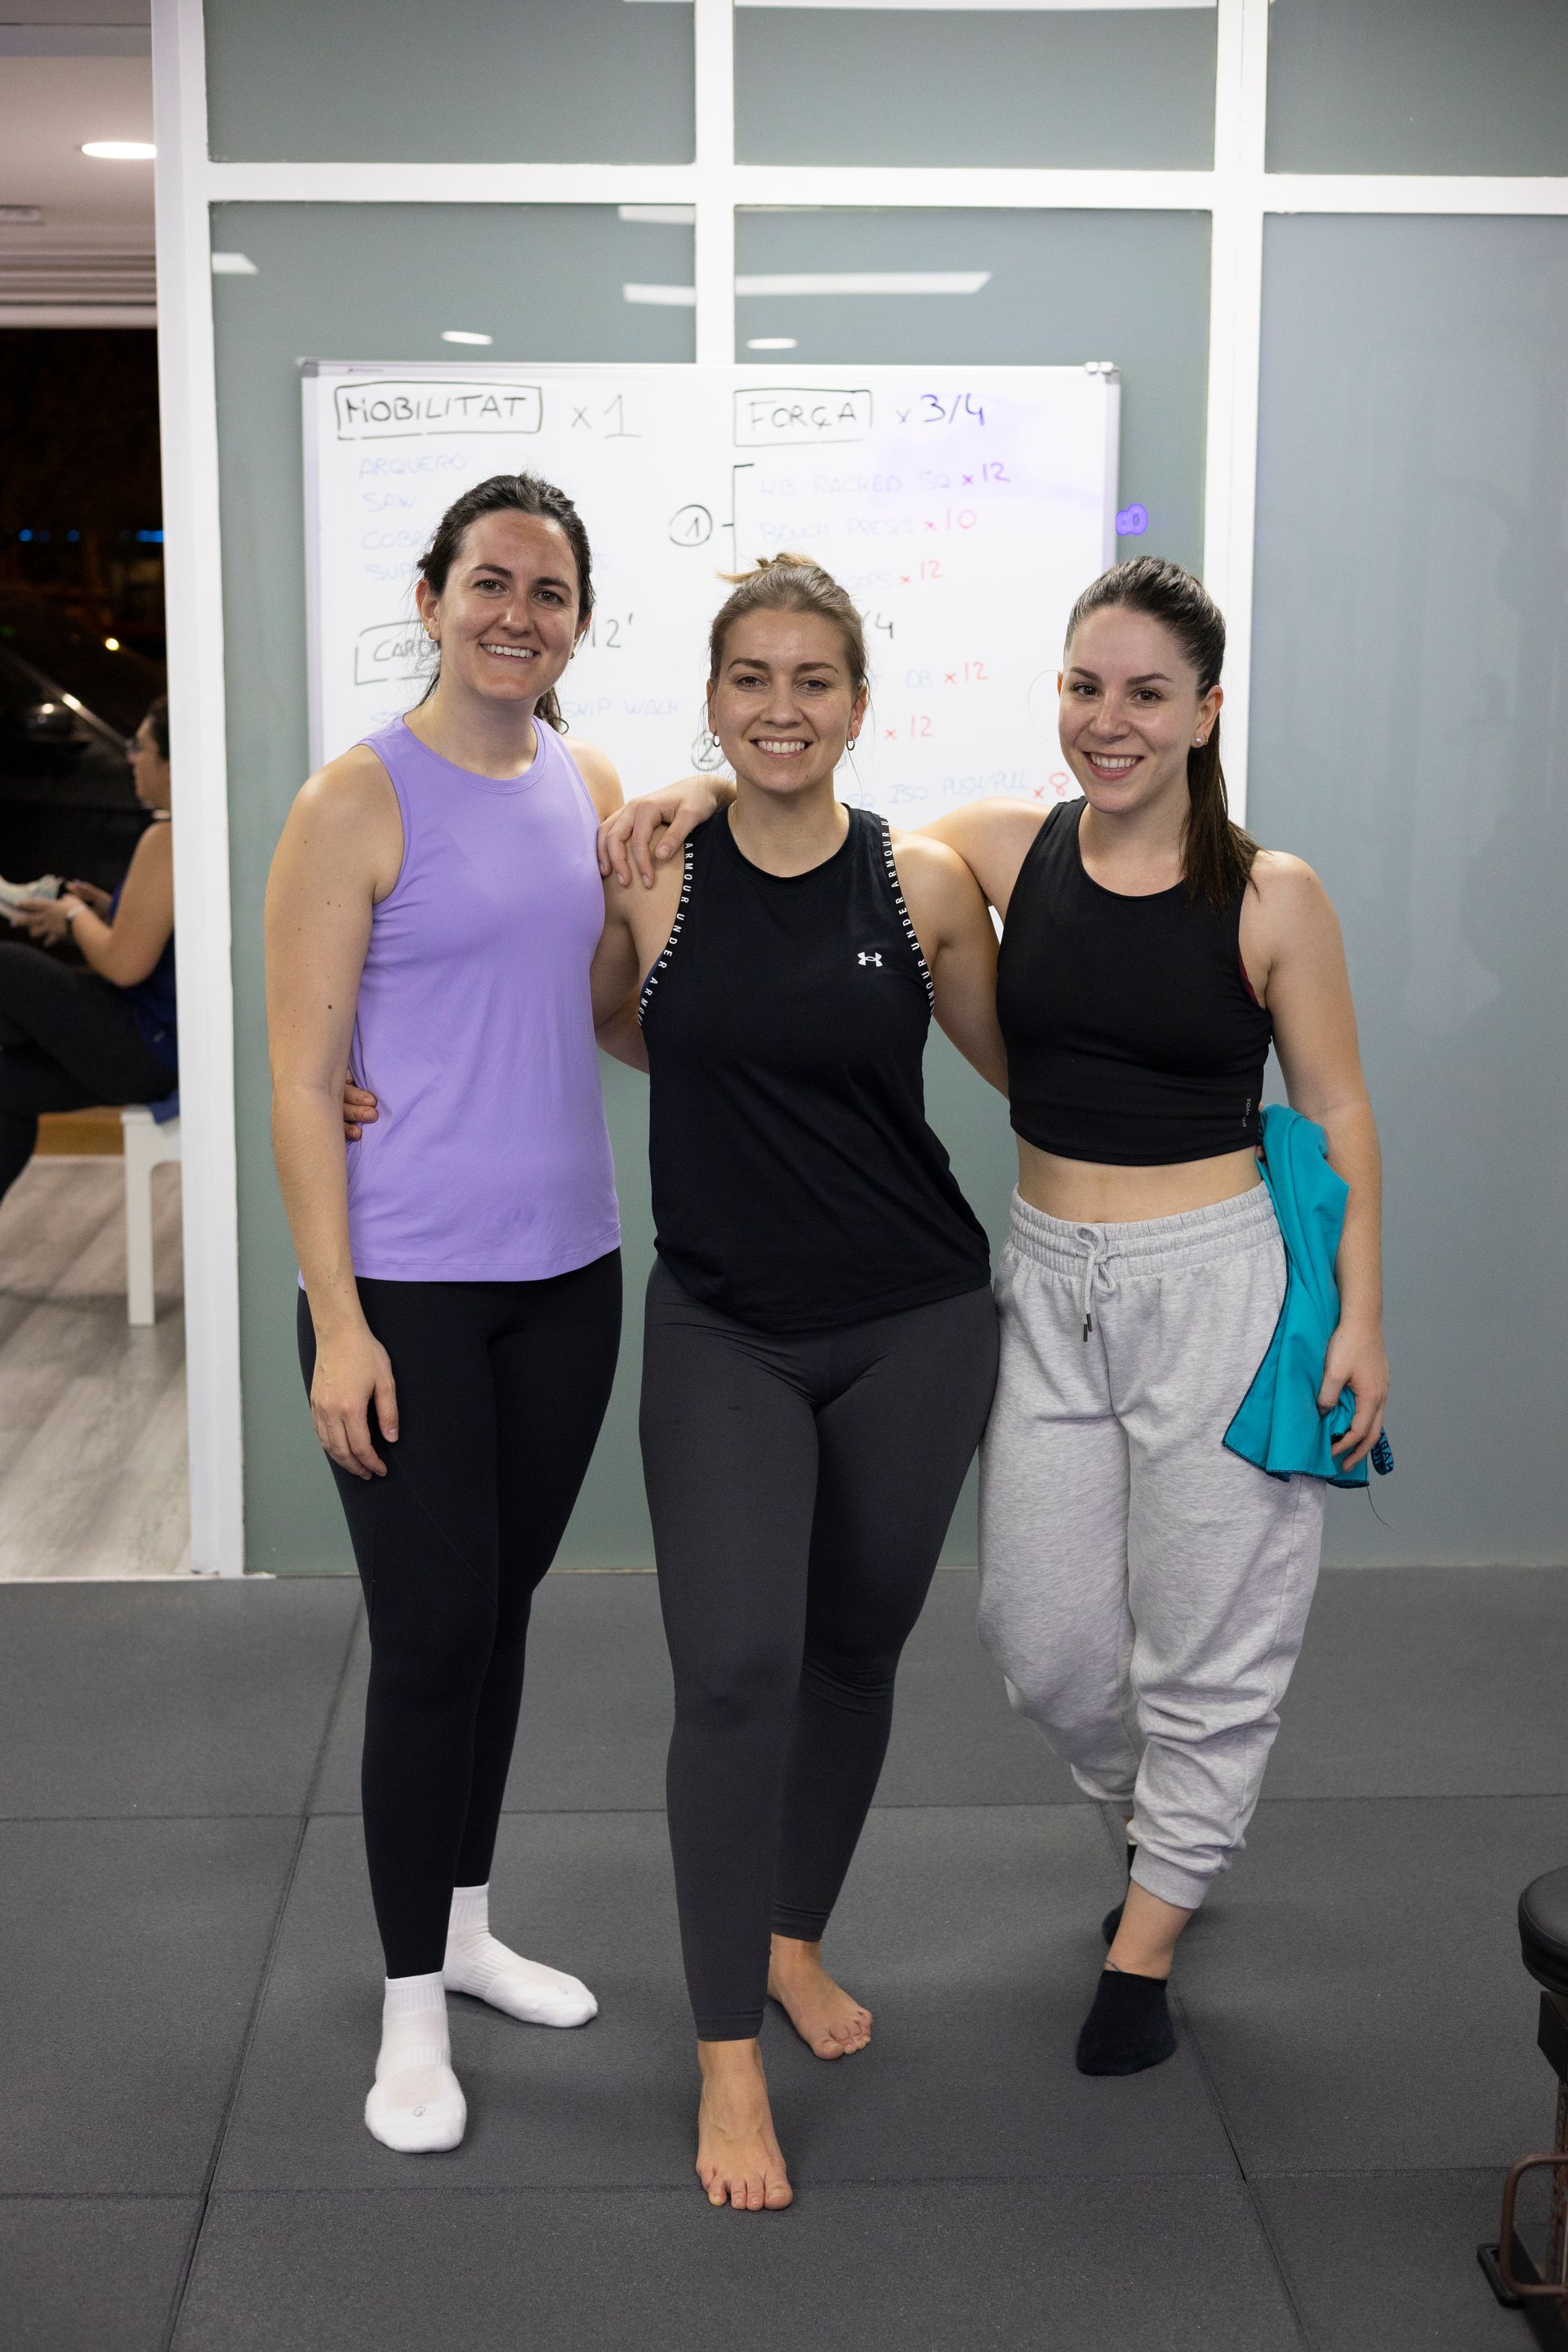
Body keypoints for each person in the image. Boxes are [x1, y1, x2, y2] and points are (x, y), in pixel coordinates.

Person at [599, 555, 1390, 2083]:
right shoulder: (988, 855)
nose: (1112, 721)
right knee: (1043, 1645)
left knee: (1212, 1648)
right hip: (1041, 1278)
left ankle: (1146, 1938)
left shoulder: (1273, 894)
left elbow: (1341, 1106)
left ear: (1207, 711)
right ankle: (1172, 1830)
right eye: (1087, 687)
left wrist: (1362, 1314)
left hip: (1217, 1282)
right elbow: (792, 803)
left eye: (1149, 693)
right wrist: (697, 790)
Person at [585, 554, 1005, 2212]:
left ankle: (791, 1937)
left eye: (811, 679)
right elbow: (623, 1028)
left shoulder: (921, 885)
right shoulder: (654, 874)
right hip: (726, 1328)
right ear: (711, 698)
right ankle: (723, 2062)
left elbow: (1033, 1066)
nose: (779, 707)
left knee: (851, 1654)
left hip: (917, 1318)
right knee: (736, 1676)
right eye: (749, 679)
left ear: (856, 703)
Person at [265, 474, 625, 2156]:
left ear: (575, 623)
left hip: (568, 1280)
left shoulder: (593, 785)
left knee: (504, 1618)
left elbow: (611, 1012)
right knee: (426, 1642)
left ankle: (469, 1930)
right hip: (404, 1288)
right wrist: (336, 1319)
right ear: (430, 597)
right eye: (490, 581)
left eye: (549, 593)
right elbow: (295, 1071)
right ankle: (412, 2014)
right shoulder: (355, 798)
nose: (517, 614)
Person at [0, 695, 177, 1203]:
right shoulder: (184, 834)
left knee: (9, 966)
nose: (130, 758)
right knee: (7, 1087)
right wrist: (103, 910)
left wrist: (75, 918)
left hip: (152, 1045)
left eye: (139, 747)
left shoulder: (166, 838)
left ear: (170, 760)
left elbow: (125, 965)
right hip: (156, 1041)